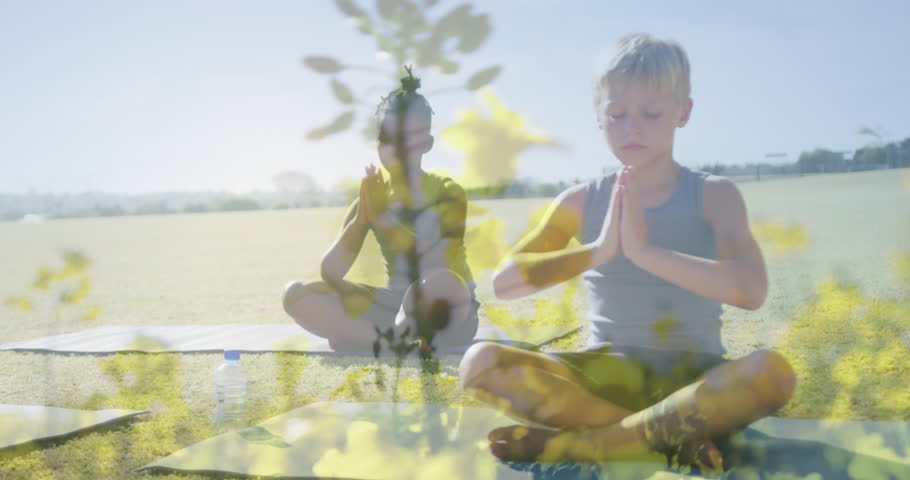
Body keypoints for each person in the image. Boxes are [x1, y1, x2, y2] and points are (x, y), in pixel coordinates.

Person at [457, 33, 796, 472]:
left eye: (651, 113)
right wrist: (598, 251)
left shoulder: (714, 195)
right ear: (599, 118)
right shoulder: (581, 200)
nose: (632, 128)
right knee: (479, 363)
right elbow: (505, 283)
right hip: (599, 379)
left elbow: (751, 290)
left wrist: (646, 252)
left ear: (684, 112)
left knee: (771, 372)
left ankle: (590, 445)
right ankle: (660, 438)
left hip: (692, 381)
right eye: (617, 115)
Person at [283, 68, 479, 354]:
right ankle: (394, 341)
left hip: (448, 307)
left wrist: (384, 220)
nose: (394, 149)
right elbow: (332, 272)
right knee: (297, 295)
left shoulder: (447, 190)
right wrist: (363, 219)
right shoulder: (372, 195)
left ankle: (377, 338)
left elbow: (437, 260)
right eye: (386, 139)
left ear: (426, 143)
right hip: (394, 305)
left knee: (440, 283)